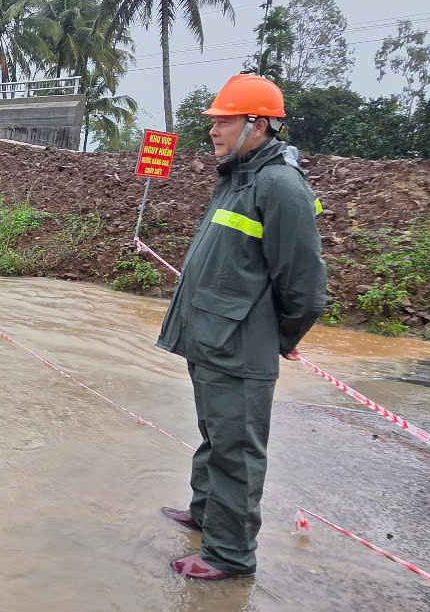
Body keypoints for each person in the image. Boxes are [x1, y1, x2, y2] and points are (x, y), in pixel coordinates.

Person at [155, 74, 327, 580]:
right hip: (213, 340)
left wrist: (282, 338)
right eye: (214, 121)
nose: (213, 130)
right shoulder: (238, 177)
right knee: (215, 435)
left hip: (240, 347)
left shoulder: (279, 185)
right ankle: (206, 515)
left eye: (224, 121)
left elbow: (304, 285)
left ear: (258, 125)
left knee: (236, 450)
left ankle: (229, 554)